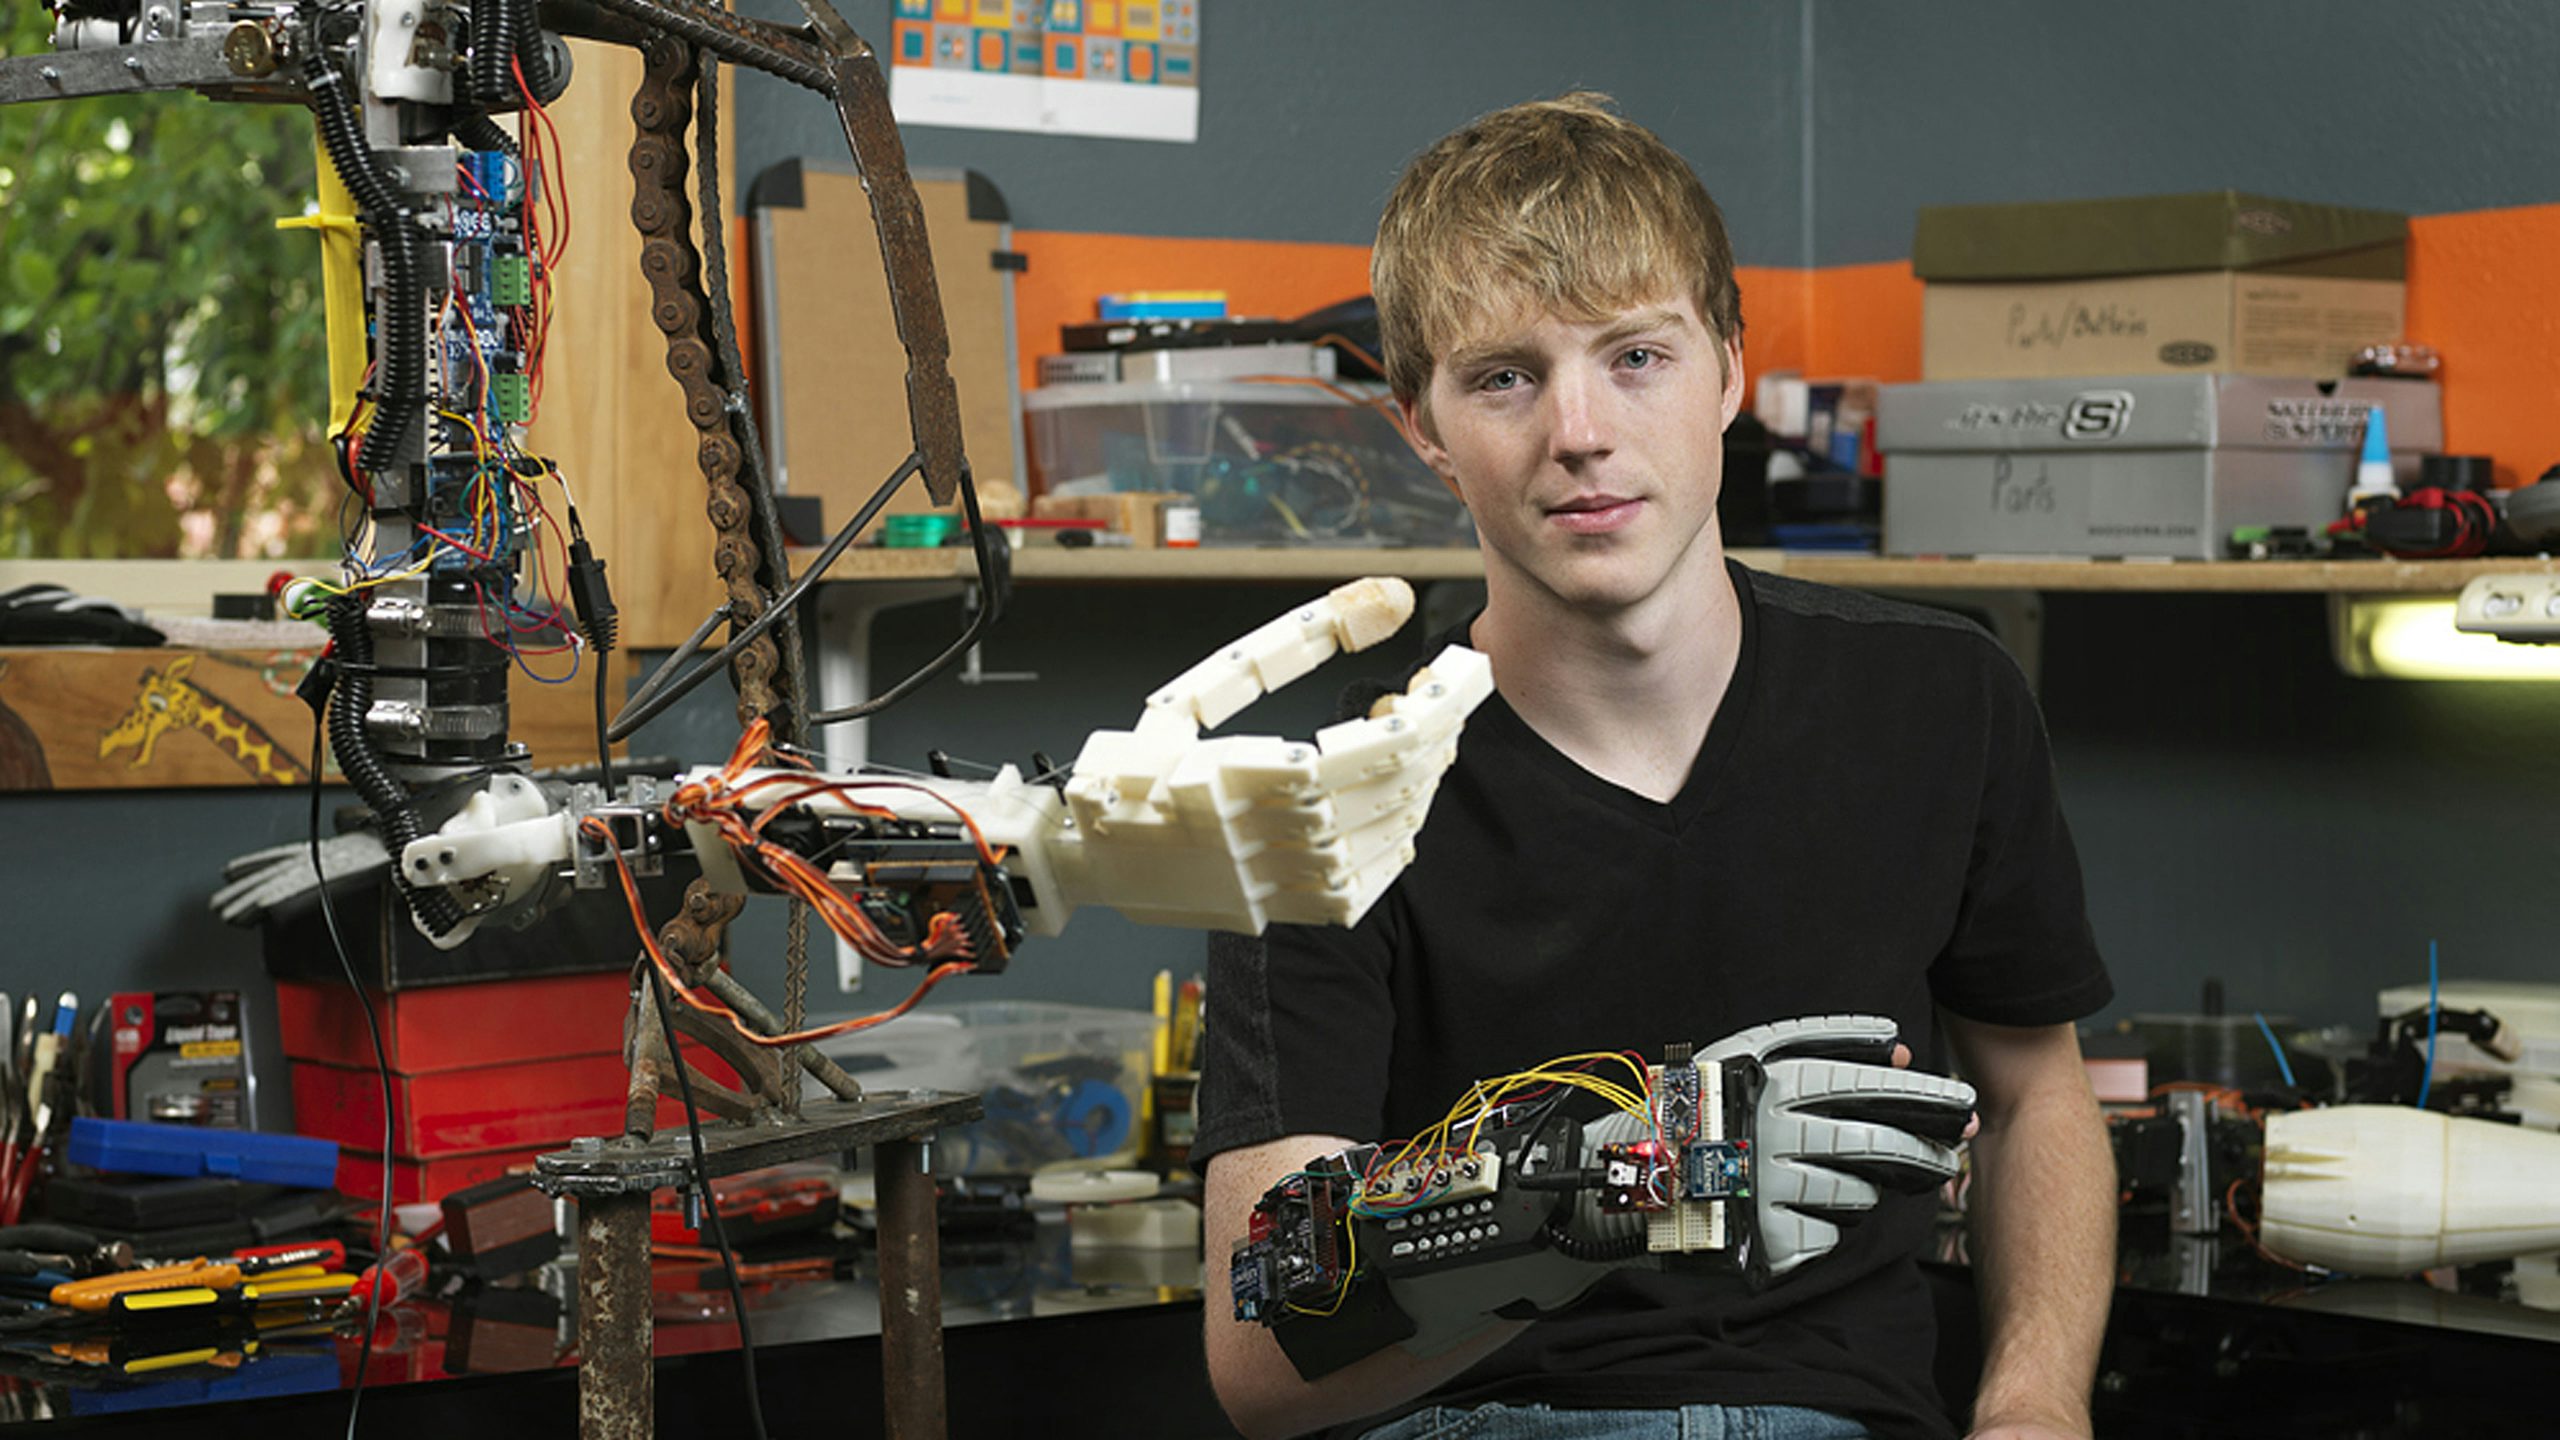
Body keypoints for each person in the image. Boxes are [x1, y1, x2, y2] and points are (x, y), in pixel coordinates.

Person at [1193, 93, 2117, 1440]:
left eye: (1637, 356)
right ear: (1421, 426)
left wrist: (2036, 1400)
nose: (1579, 430)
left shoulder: (1940, 697)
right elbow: (1264, 1352)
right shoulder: (1323, 786)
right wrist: (1644, 1174)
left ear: (1731, 373)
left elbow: (2039, 1092)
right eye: (1503, 375)